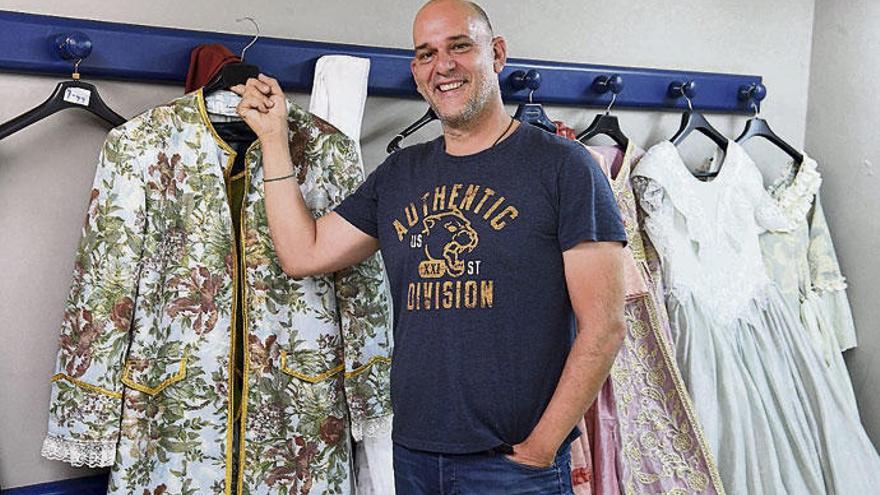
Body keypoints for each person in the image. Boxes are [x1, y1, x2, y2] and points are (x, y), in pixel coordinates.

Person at [231, 0, 626, 492]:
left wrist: (541, 448)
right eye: (425, 54)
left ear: (497, 53)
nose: (443, 66)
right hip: (415, 454)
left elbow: (604, 327)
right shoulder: (400, 175)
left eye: (459, 46)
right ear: (416, 71)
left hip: (512, 465)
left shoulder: (565, 167)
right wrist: (273, 140)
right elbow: (303, 253)